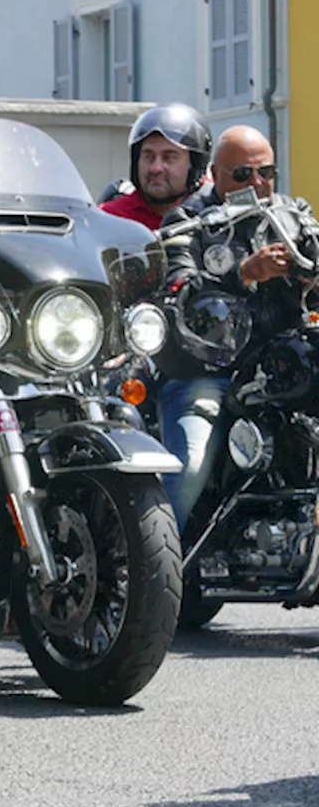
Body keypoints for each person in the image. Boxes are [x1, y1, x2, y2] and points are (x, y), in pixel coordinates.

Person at [154, 124, 309, 533]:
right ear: (215, 176)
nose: (257, 183)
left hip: (279, 369)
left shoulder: (295, 218)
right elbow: (180, 292)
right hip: (208, 371)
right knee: (189, 464)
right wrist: (242, 274)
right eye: (243, 175)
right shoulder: (188, 222)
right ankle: (155, 578)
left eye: (266, 172)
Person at [100, 103, 212, 231]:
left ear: (195, 164)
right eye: (148, 156)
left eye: (169, 157)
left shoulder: (218, 213)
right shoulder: (109, 218)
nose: (156, 168)